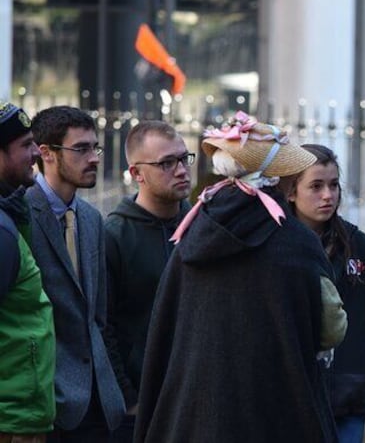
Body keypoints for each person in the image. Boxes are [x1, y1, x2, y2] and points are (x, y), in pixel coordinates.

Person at [133, 112, 347, 443]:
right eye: (288, 173)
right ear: (276, 180)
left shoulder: (192, 231)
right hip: (277, 413)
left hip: (192, 417)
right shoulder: (295, 242)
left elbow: (166, 326)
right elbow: (331, 327)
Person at [26, 106, 125, 442]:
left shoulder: (92, 218)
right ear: (47, 154)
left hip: (100, 401)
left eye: (94, 148)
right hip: (46, 402)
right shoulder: (21, 213)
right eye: (81, 149)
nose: (94, 158)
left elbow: (98, 315)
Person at [287, 144, 365, 443]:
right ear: (291, 192)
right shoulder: (278, 246)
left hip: (347, 395)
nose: (328, 195)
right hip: (290, 398)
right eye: (316, 186)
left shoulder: (357, 244)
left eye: (334, 185)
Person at [104, 121, 193, 443]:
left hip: (198, 399)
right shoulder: (114, 235)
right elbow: (103, 325)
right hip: (141, 406)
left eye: (184, 159)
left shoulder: (204, 224)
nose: (181, 170)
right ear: (137, 173)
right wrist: (128, 399)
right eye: (166, 163)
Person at [0, 102, 56, 443]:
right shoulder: (2, 230)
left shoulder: (10, 215)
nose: (36, 152)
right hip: (11, 420)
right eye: (24, 145)